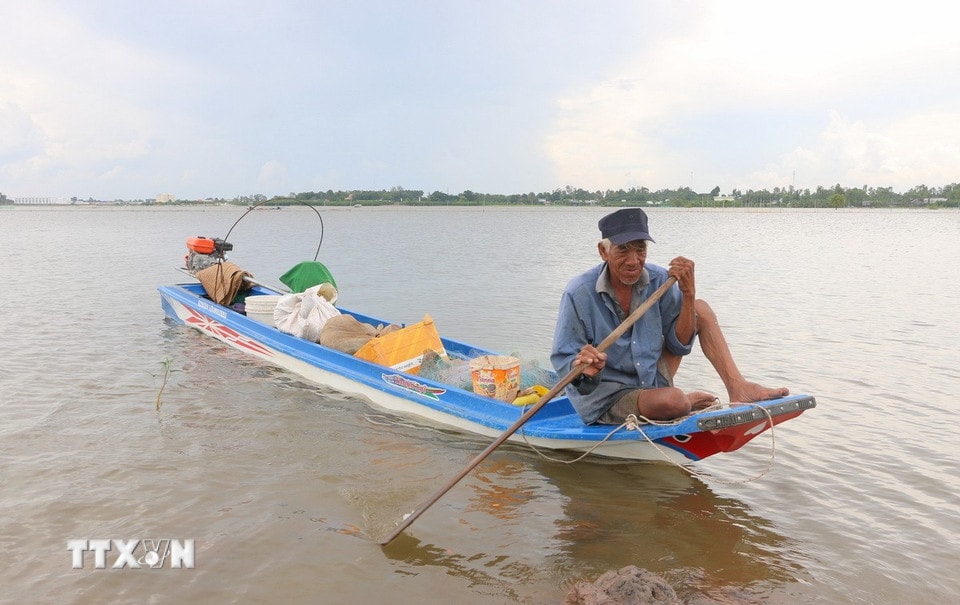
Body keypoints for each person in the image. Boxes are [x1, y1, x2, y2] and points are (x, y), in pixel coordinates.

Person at [551, 207, 788, 425]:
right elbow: (564, 361)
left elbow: (680, 344)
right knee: (674, 402)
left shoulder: (659, 280)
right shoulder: (579, 292)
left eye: (640, 249)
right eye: (623, 250)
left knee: (700, 308)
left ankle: (738, 388)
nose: (634, 261)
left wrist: (688, 293)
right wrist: (587, 369)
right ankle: (681, 402)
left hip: (651, 381)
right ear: (604, 251)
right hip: (607, 395)